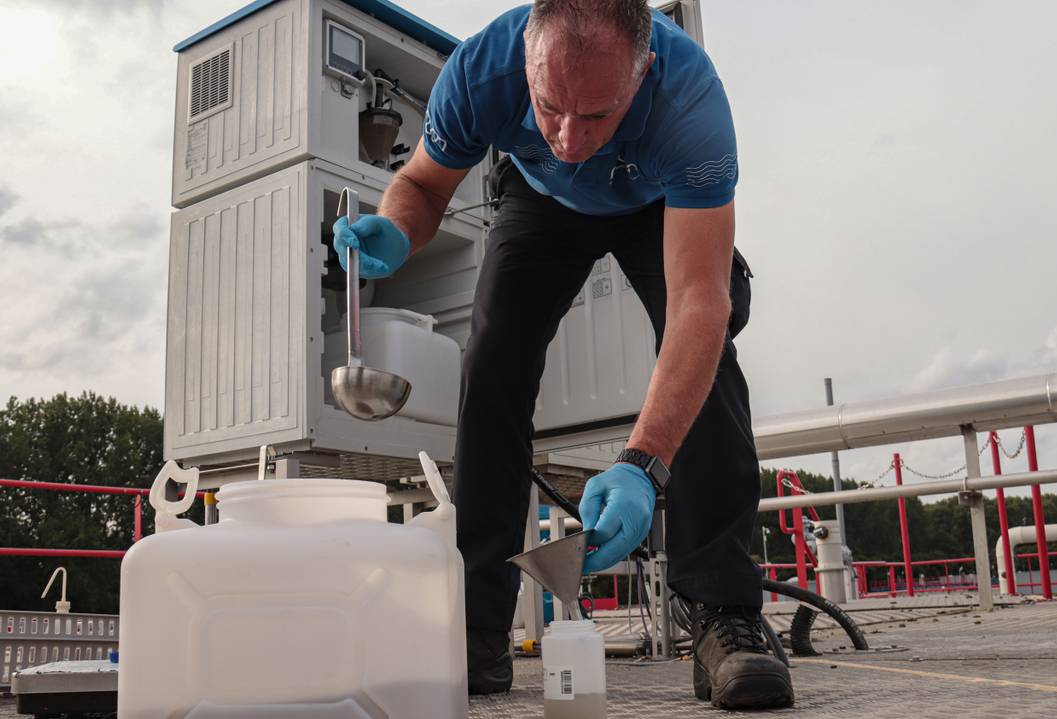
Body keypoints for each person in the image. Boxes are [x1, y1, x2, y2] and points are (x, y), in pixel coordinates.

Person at [332, 0, 793, 709]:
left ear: (646, 72)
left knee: (708, 352)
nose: (572, 137)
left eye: (598, 115)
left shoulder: (690, 101)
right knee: (492, 364)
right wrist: (396, 228)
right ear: (526, 62)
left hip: (653, 203)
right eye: (549, 107)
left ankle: (724, 613)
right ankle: (476, 629)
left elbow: (701, 303)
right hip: (539, 199)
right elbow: (422, 185)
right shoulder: (480, 71)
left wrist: (643, 463)